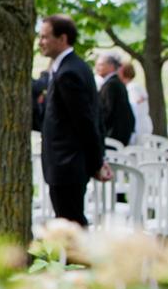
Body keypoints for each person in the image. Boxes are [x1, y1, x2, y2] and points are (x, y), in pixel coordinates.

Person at [32, 15, 111, 227]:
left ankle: (81, 261)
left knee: (71, 225)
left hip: (67, 164)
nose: (40, 42)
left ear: (62, 38)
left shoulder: (69, 72)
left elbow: (85, 121)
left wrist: (96, 162)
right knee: (70, 221)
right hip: (66, 164)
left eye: (45, 37)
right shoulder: (72, 66)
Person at [95, 52, 135, 147]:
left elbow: (107, 111)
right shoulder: (115, 82)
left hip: (113, 135)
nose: (97, 68)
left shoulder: (111, 85)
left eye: (101, 65)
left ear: (111, 66)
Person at [119, 61, 153, 139]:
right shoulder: (136, 86)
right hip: (143, 125)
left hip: (139, 127)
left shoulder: (132, 88)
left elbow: (133, 107)